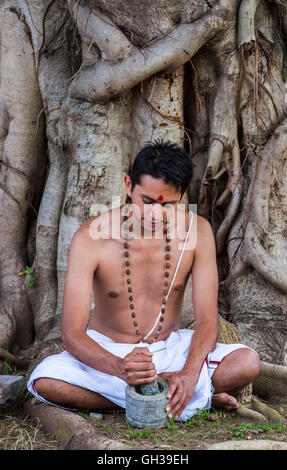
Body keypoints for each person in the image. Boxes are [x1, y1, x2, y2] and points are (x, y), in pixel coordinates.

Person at [27, 140, 260, 421]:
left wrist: (188, 372)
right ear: (128, 186)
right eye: (146, 202)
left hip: (172, 351)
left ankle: (169, 389)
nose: (154, 214)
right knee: (46, 381)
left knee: (247, 363)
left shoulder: (197, 232)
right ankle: (189, 398)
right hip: (109, 354)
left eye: (168, 205)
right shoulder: (90, 237)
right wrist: (119, 367)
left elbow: (208, 321)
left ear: (183, 197)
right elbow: (73, 334)